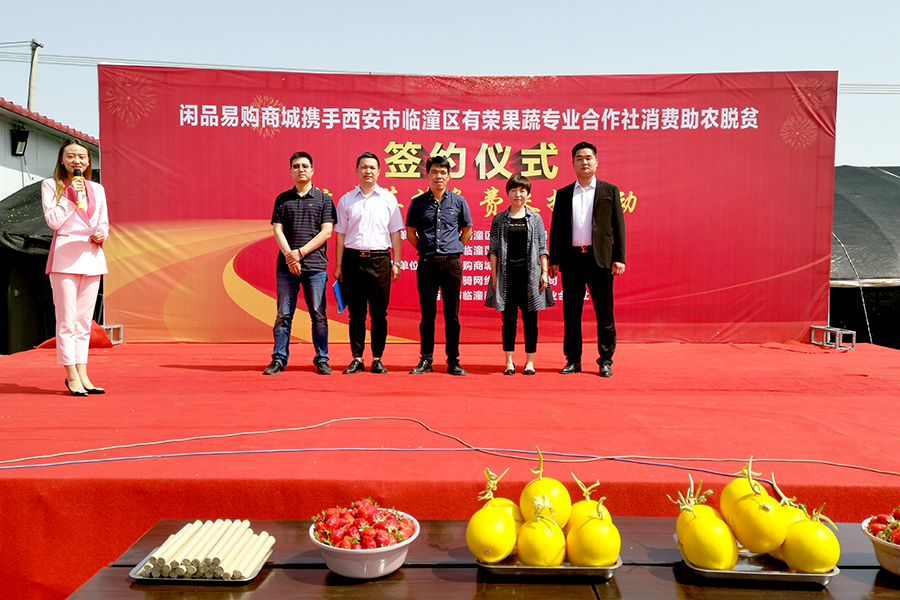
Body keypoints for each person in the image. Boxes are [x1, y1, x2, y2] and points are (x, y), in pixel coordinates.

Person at [548, 141, 626, 377]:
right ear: (572, 163)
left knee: (605, 313)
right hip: (572, 260)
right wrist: (553, 260)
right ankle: (573, 360)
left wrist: (619, 257)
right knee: (572, 314)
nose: (584, 162)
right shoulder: (563, 194)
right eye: (579, 158)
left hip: (599, 259)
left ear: (596, 162)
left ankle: (606, 360)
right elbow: (556, 229)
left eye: (588, 158)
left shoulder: (609, 190)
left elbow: (618, 226)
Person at [41, 139, 109, 396]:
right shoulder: (52, 185)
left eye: (81, 156)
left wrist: (101, 234)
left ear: (88, 161)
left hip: (92, 257)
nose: (76, 161)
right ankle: (71, 375)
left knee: (83, 322)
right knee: (67, 320)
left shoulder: (98, 189)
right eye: (70, 156)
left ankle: (83, 373)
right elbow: (53, 222)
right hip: (65, 259)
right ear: (62, 159)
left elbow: (104, 222)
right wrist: (70, 196)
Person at [263, 151, 337, 376]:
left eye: (305, 166)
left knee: (318, 315)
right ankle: (279, 359)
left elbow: (326, 232)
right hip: (286, 268)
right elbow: (277, 230)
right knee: (283, 314)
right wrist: (290, 256)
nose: (300, 169)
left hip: (315, 267)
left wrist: (300, 254)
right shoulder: (282, 199)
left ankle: (322, 359)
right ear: (291, 171)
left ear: (312, 170)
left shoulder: (324, 199)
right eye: (296, 166)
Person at [333, 152, 404, 374]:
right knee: (356, 313)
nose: (368, 171)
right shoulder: (346, 200)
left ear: (379, 171)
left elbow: (395, 233)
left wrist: (397, 262)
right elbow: (340, 235)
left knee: (379, 314)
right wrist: (339, 265)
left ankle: (377, 359)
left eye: (372, 167)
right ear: (356, 171)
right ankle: (357, 358)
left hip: (381, 260)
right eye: (364, 167)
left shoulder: (388, 199)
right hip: (353, 260)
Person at [405, 155, 473, 376]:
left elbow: (466, 231)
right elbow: (410, 233)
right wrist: (425, 248)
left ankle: (453, 361)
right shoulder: (418, 203)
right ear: (427, 175)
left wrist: (453, 248)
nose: (439, 176)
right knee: (427, 315)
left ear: (449, 176)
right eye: (434, 172)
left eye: (443, 172)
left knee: (452, 315)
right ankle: (426, 359)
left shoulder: (459, 202)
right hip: (427, 264)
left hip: (451, 264)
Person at [485, 173, 555, 375]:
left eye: (522, 190)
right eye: (514, 190)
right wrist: (495, 276)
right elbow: (493, 250)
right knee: (508, 320)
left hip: (530, 277)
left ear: (528, 194)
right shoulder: (499, 219)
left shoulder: (535, 218)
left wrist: (544, 272)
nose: (518, 194)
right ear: (508, 193)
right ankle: (509, 361)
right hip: (507, 277)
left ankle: (530, 361)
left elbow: (542, 248)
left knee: (531, 320)